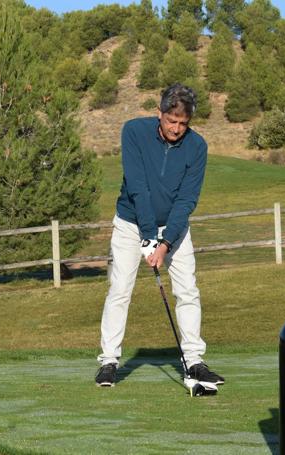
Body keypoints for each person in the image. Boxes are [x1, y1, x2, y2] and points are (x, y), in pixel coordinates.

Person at [95, 83, 225, 387]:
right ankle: (109, 361)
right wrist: (148, 236)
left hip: (174, 230)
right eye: (171, 121)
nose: (177, 129)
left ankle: (193, 361)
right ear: (159, 113)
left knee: (187, 291)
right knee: (120, 290)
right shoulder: (133, 132)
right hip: (130, 224)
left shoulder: (197, 147)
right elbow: (137, 186)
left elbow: (187, 200)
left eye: (183, 123)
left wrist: (164, 244)